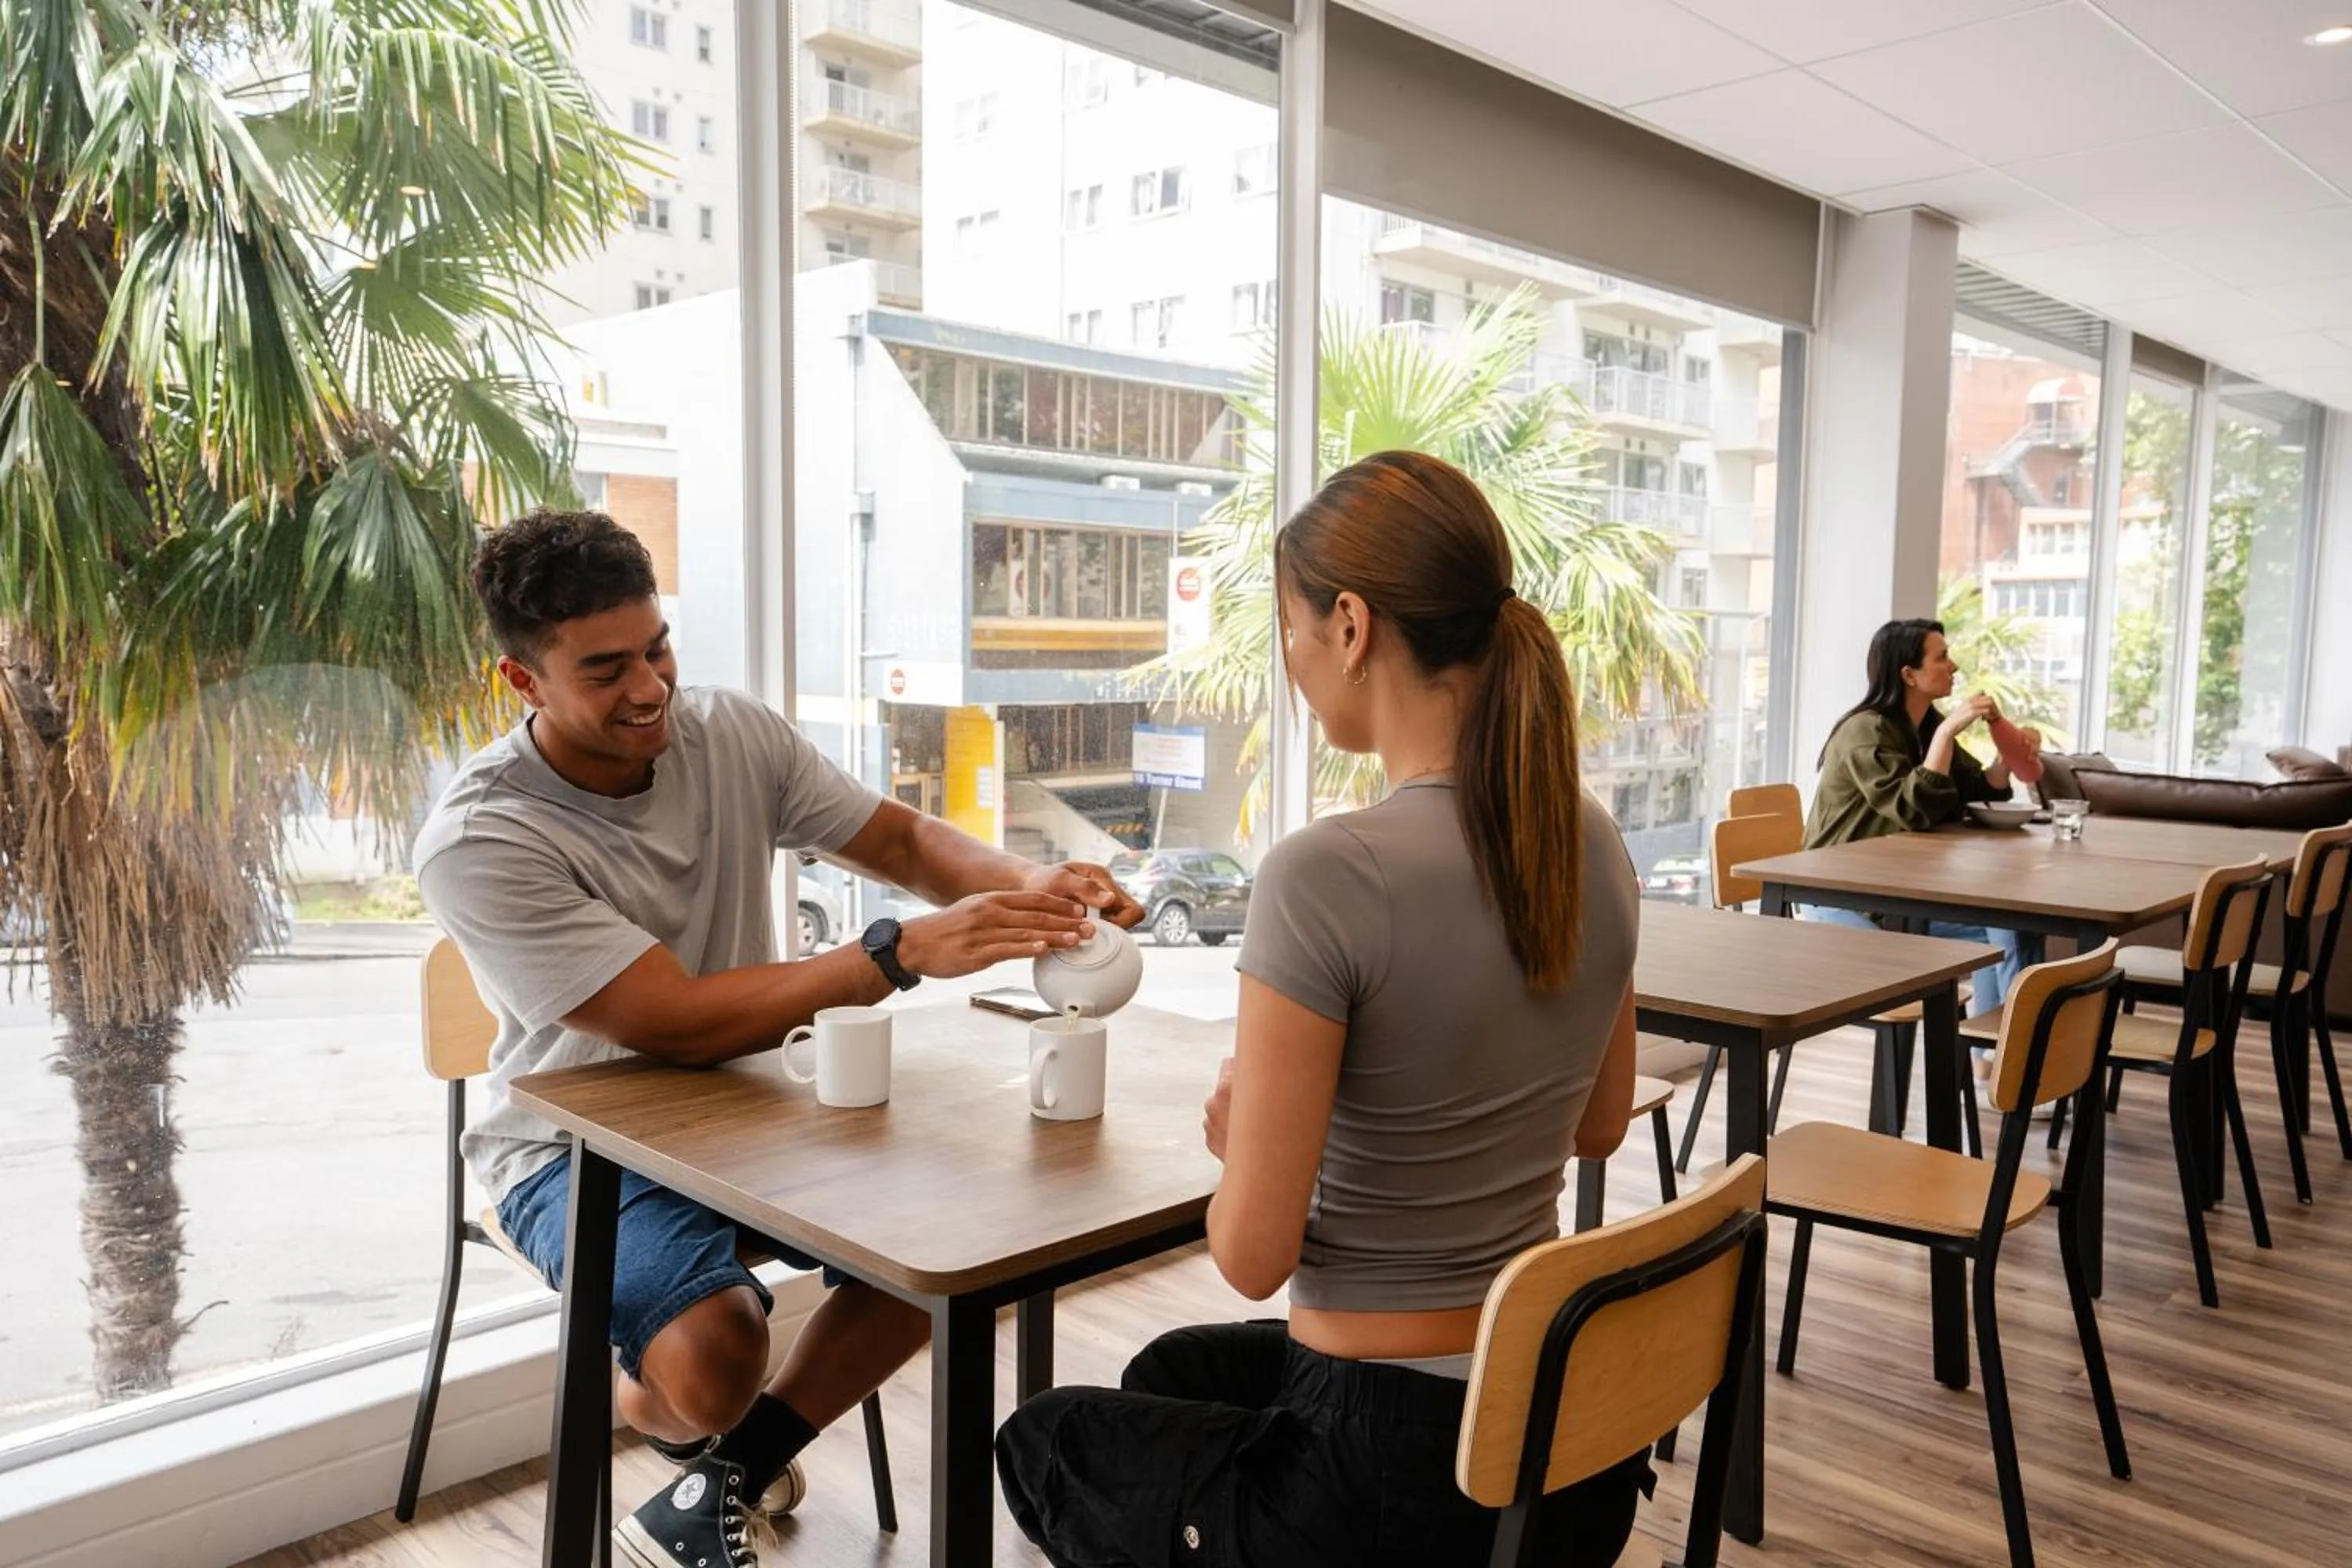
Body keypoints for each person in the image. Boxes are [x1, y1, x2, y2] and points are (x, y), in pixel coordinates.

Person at [412, 510, 1142, 1568]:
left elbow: (898, 838)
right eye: (606, 670)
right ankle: (666, 1402)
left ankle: (723, 1475)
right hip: (574, 1149)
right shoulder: (483, 836)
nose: (651, 688)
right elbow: (670, 1022)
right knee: (715, 1360)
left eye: (657, 648)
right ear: (523, 684)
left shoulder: (729, 734)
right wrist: (896, 955)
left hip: (754, 1107)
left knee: (958, 1241)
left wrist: (1030, 885)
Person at [994, 450, 1653, 1568]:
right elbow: (1597, 1124)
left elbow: (1252, 1256)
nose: (1292, 661)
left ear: (1351, 627)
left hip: (1392, 1477)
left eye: (1291, 630)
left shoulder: (1327, 872)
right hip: (1549, 1427)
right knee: (1170, 1378)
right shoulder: (1586, 836)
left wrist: (1247, 1138)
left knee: (1042, 1442)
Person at [1802, 617, 2045, 1015]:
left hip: (1896, 894)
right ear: (1909, 674)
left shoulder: (1925, 725)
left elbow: (1976, 790)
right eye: (1942, 657)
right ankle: (2015, 1062)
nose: (1954, 666)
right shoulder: (1865, 731)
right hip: (1838, 899)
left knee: (2013, 932)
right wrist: (1947, 734)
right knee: (1976, 948)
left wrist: (2007, 759)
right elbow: (1910, 810)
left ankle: (1997, 1058)